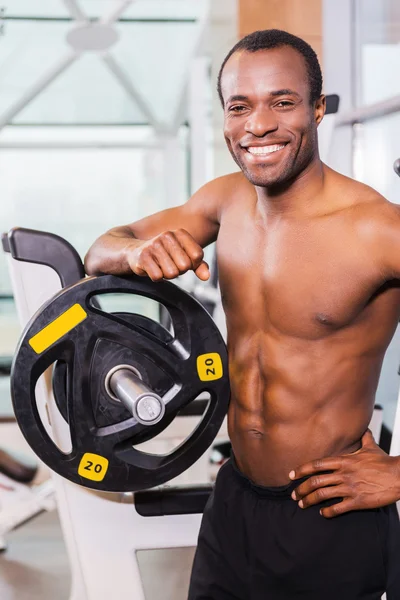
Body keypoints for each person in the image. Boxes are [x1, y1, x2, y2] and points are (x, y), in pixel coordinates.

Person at [84, 29, 400, 599]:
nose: (258, 126)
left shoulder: (378, 231)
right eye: (240, 106)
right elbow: (104, 246)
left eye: (282, 102)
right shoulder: (224, 201)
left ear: (319, 110)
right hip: (233, 504)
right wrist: (136, 252)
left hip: (329, 512)